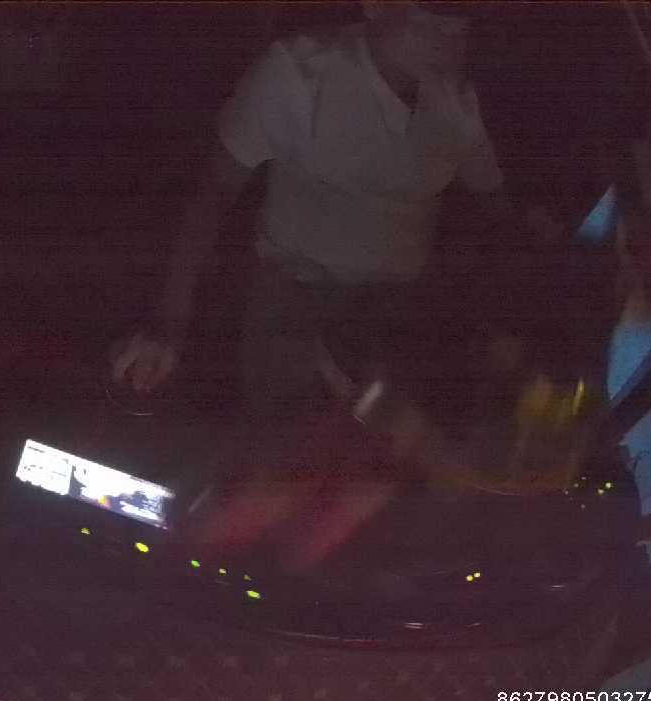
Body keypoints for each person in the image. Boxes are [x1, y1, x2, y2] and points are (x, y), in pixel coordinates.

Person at [110, 2, 546, 423]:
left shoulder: (465, 95)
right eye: (427, 23)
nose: (445, 43)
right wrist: (169, 320)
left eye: (456, 27)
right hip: (294, 299)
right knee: (285, 446)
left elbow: (496, 204)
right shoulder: (298, 73)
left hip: (400, 314)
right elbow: (214, 192)